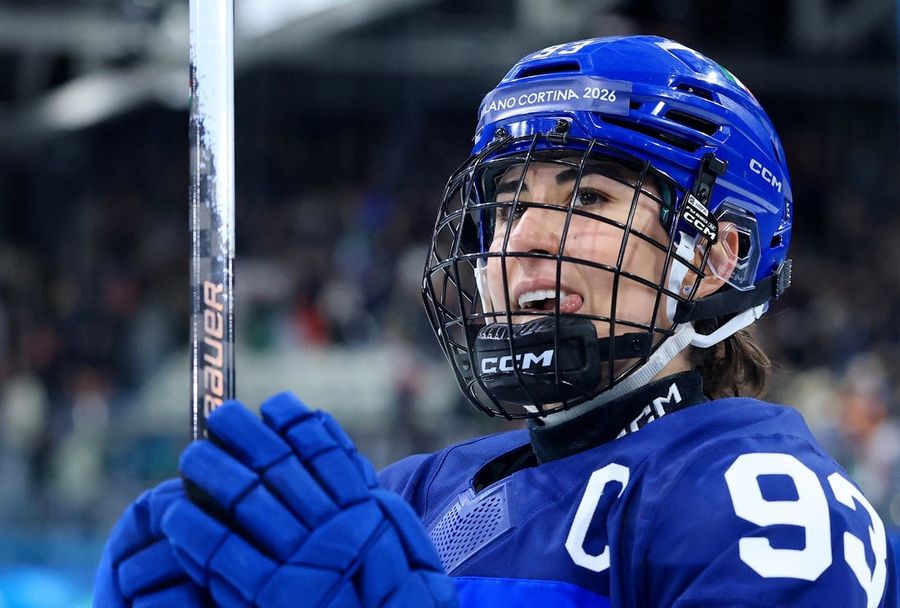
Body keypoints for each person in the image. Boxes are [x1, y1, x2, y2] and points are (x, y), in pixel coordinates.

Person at [94, 35, 897, 607]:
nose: (524, 239)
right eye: (509, 204)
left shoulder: (765, 508)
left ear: (717, 255)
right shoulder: (407, 497)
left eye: (588, 200)